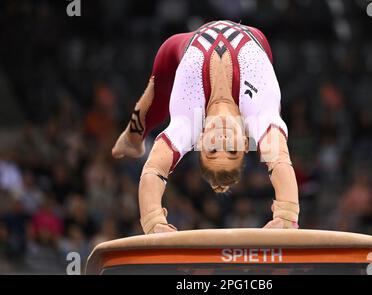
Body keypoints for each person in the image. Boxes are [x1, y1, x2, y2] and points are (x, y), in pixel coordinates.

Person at [112, 20, 300, 234]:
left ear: (201, 140)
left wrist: (153, 222)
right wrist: (286, 215)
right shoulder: (260, 115)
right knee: (274, 128)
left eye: (212, 149)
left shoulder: (189, 123)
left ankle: (132, 137)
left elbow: (154, 169)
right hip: (256, 40)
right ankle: (133, 139)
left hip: (179, 47)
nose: (222, 141)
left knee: (156, 96)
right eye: (231, 150)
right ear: (247, 142)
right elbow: (280, 161)